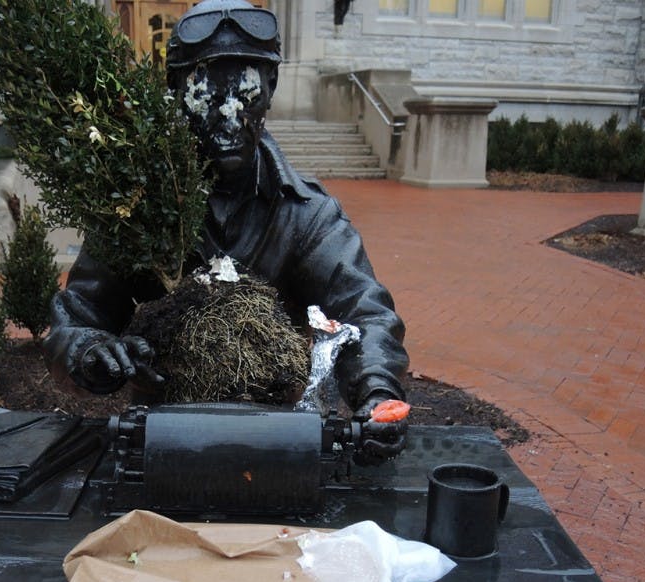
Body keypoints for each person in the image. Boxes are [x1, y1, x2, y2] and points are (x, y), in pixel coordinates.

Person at [43, 0, 409, 463]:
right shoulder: (134, 211)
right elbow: (77, 315)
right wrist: (91, 351)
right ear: (175, 92)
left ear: (271, 90)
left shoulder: (307, 216)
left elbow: (365, 311)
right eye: (209, 99)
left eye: (247, 96)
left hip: (279, 445)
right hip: (163, 443)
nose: (231, 119)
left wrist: (376, 391)